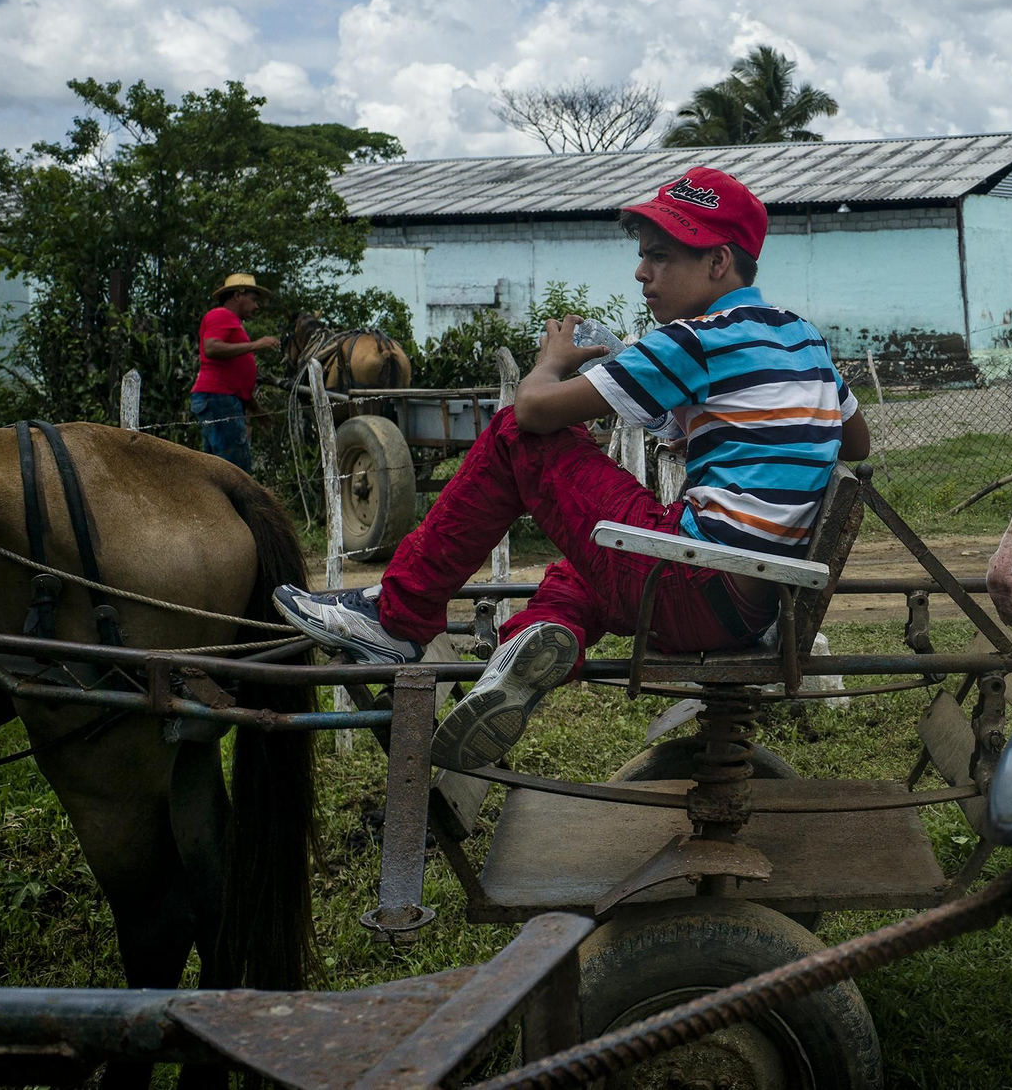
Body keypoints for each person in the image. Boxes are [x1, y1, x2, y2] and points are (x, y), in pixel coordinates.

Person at [274, 168, 872, 769]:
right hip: (751, 604)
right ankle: (536, 636)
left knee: (516, 437)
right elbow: (857, 441)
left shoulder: (695, 339)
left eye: (660, 257)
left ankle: (397, 616)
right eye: (643, 256)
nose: (642, 272)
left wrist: (551, 360)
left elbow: (533, 410)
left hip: (693, 586)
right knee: (580, 570)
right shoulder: (803, 338)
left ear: (718, 262)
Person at [192, 274, 280, 472]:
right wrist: (256, 345)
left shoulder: (231, 321)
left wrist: (256, 409)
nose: (256, 306)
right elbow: (211, 348)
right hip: (219, 398)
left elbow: (236, 377)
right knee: (235, 470)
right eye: (253, 299)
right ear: (238, 295)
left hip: (222, 399)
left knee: (220, 468)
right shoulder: (220, 315)